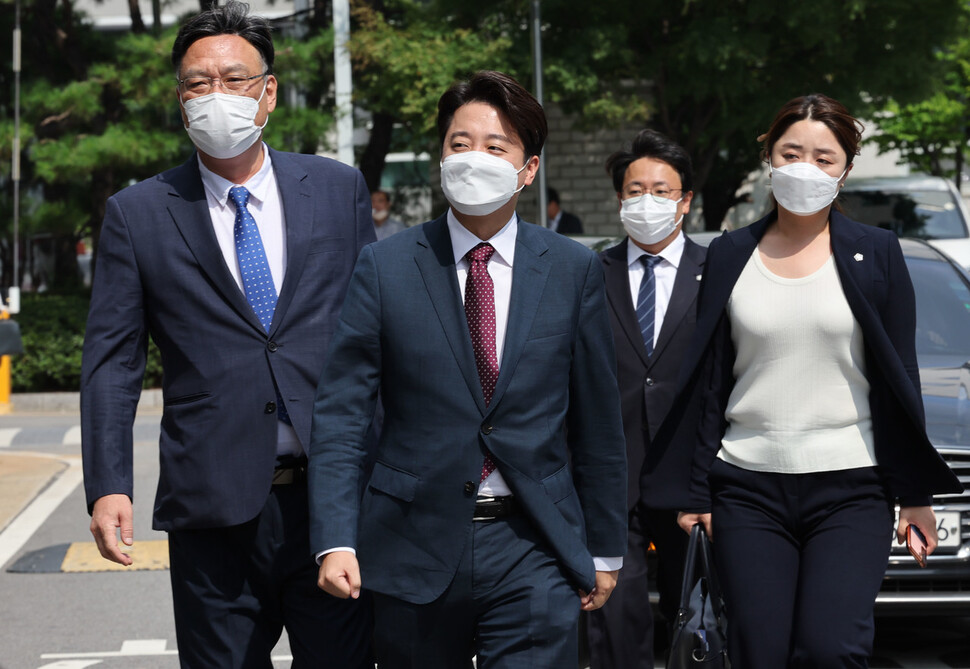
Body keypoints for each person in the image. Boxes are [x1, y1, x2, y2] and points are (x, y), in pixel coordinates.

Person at [80, 3, 375, 667]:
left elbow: (375, 340)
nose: (217, 96)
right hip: (212, 510)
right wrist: (107, 484)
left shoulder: (335, 190)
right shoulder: (139, 213)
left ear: (268, 91)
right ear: (180, 102)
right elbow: (112, 361)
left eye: (234, 79)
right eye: (197, 84)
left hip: (334, 503)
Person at [308, 70, 628, 668]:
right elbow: (342, 415)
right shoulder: (386, 265)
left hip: (534, 542)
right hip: (412, 540)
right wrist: (334, 537)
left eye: (494, 146)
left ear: (528, 169)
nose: (472, 158)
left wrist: (605, 548)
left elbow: (597, 421)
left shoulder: (571, 269)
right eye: (459, 143)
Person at [675, 94, 962, 668]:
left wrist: (916, 495)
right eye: (791, 152)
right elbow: (711, 378)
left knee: (832, 649)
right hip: (748, 486)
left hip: (853, 487)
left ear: (846, 170)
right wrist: (695, 491)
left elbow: (899, 373)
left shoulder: (877, 252)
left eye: (824, 158)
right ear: (770, 158)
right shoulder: (730, 253)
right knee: (760, 652)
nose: (806, 167)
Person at [588, 129, 703, 668]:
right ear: (619, 200)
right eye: (635, 190)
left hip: (694, 482)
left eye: (661, 191)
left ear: (685, 201)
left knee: (698, 623)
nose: (647, 202)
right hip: (613, 479)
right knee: (614, 624)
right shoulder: (590, 274)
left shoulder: (719, 272)